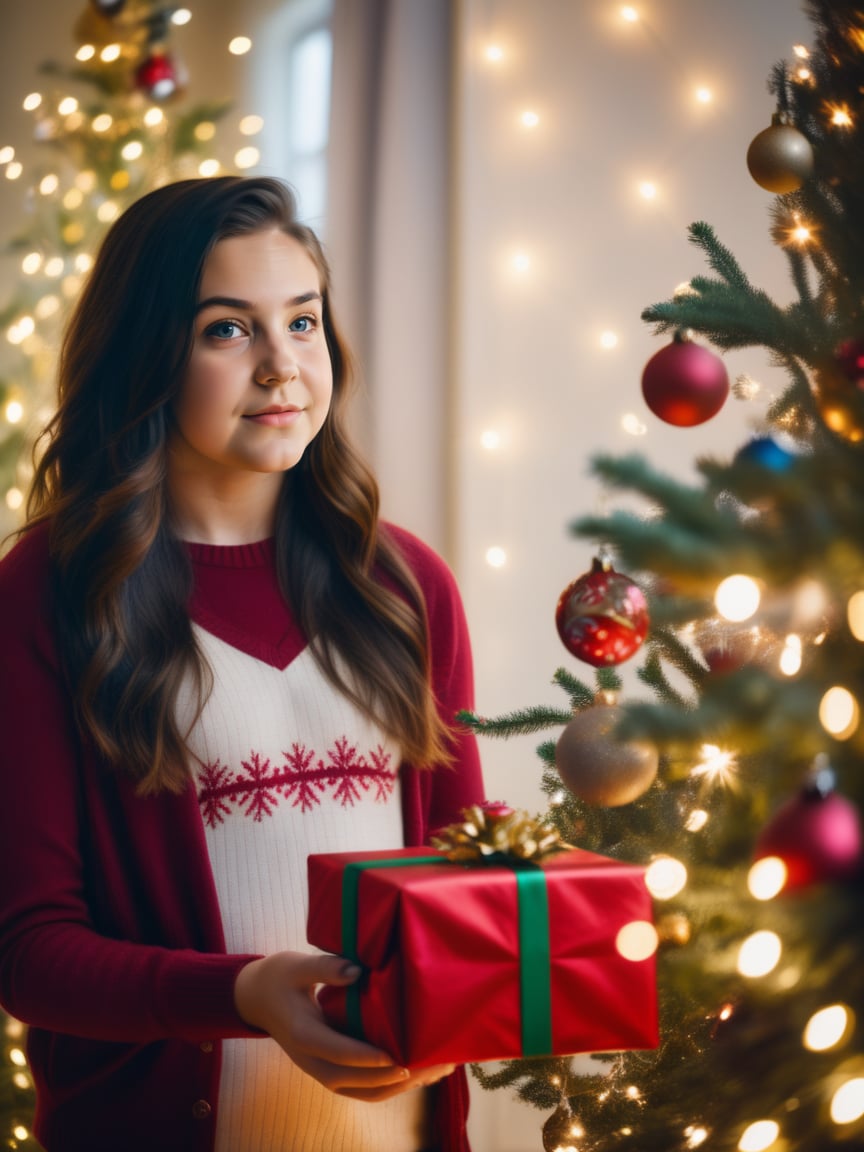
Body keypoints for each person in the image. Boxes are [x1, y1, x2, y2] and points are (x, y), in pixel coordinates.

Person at [0, 176, 485, 1152]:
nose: (282, 369)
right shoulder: (46, 591)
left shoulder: (407, 585)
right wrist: (244, 994)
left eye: (301, 322)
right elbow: (29, 953)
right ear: (149, 355)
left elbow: (460, 865)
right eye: (228, 330)